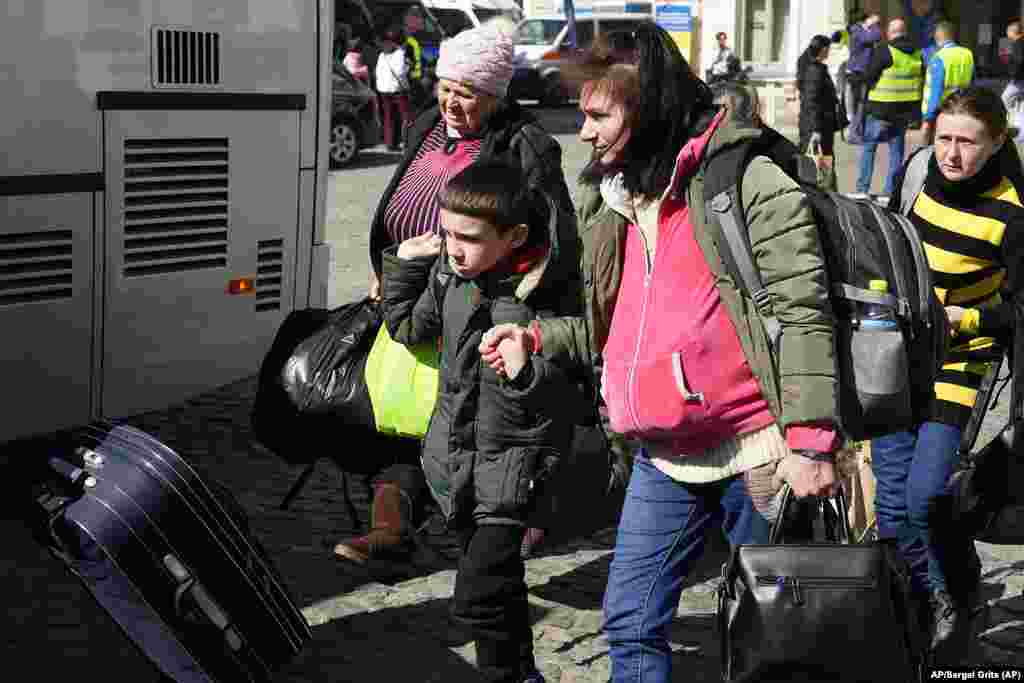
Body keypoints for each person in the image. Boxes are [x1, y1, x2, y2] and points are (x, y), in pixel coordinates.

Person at [480, 23, 842, 681]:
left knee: (774, 641)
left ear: (646, 106)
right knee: (629, 619)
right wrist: (538, 337)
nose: (583, 131)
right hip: (661, 455)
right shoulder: (612, 193)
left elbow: (803, 310)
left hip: (758, 452)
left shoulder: (744, 179)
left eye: (598, 115)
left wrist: (813, 440)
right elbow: (617, 325)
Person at [335, 21, 580, 567]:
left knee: (453, 415)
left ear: (495, 95)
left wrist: (503, 295)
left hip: (478, 301)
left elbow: (551, 236)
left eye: (466, 93)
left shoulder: (526, 145)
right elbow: (402, 195)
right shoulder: (426, 124)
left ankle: (488, 537)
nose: (450, 101)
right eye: (446, 87)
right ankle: (393, 526)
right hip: (410, 286)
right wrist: (391, 265)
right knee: (399, 409)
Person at [382, 161, 583, 683]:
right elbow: (408, 327)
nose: (453, 247)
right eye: (447, 233)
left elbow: (585, 386)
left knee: (477, 602)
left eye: (468, 238)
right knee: (503, 592)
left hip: (515, 473)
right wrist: (404, 263)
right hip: (459, 466)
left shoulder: (547, 295)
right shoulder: (450, 274)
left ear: (514, 236)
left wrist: (528, 371)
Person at [877, 86, 1024, 665]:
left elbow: (1019, 307)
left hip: (961, 364)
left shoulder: (1013, 212)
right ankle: (917, 614)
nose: (952, 154)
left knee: (925, 497)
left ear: (996, 144)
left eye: (967, 142)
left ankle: (956, 598)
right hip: (894, 360)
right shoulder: (916, 174)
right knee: (890, 509)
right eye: (944, 138)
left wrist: (971, 316)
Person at [856, 17, 923, 196]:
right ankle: (890, 192)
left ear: (890, 33)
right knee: (896, 154)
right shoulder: (917, 53)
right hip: (903, 113)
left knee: (869, 148)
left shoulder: (885, 50)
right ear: (905, 32)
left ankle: (863, 190)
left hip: (879, 110)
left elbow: (869, 76)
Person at [921, 20, 974, 144]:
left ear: (937, 36)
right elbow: (972, 83)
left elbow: (936, 90)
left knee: (937, 148)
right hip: (961, 107)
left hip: (941, 111)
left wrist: (928, 118)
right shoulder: (968, 54)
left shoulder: (938, 57)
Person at [797, 35, 841, 163]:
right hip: (817, 127)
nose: (829, 52)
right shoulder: (814, 71)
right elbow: (811, 101)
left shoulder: (815, 67)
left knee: (820, 166)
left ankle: (822, 182)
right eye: (828, 49)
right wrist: (816, 130)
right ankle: (818, 183)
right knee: (817, 167)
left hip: (820, 125)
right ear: (822, 50)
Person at [845, 12, 883, 135]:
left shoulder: (860, 30)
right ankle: (855, 132)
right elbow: (874, 37)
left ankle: (858, 130)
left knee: (862, 102)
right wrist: (874, 25)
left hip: (861, 71)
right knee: (859, 103)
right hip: (857, 72)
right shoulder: (857, 30)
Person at [375, 26, 413, 151]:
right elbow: (401, 72)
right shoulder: (400, 53)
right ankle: (407, 143)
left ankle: (390, 143)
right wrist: (408, 69)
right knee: (405, 117)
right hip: (398, 90)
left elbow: (377, 72)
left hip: (383, 90)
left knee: (389, 117)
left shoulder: (382, 54)